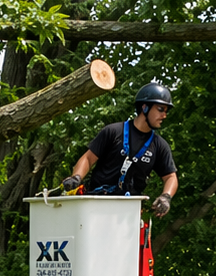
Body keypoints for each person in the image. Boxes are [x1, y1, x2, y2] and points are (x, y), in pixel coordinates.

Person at [61, 81, 178, 217]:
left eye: (166, 111)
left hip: (129, 212)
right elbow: (88, 158)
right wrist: (76, 177)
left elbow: (171, 177)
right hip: (96, 205)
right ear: (145, 107)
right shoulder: (113, 132)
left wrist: (166, 197)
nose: (165, 115)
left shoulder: (159, 145)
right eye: (160, 109)